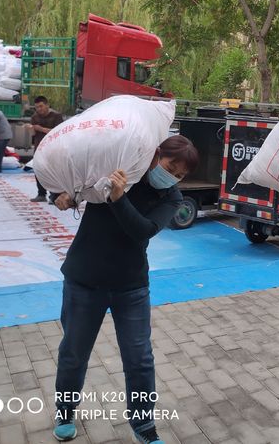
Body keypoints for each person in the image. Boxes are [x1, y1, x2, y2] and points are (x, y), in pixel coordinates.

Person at [51, 134, 199, 444]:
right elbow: (77, 180)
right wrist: (61, 195)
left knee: (139, 359)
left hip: (130, 286)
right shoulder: (121, 169)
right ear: (156, 155)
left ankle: (143, 425)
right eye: (170, 167)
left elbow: (142, 230)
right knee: (74, 352)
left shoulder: (170, 197)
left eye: (180, 174)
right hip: (84, 279)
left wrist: (119, 199)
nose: (172, 176)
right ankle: (65, 410)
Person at [28, 96, 63, 202]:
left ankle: (54, 195)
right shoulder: (34, 117)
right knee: (38, 170)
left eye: (41, 106)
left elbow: (59, 132)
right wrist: (31, 129)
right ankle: (41, 194)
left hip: (53, 148)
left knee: (53, 171)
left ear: (47, 105)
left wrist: (41, 129)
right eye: (37, 107)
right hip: (39, 148)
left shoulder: (56, 116)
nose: (39, 109)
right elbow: (33, 134)